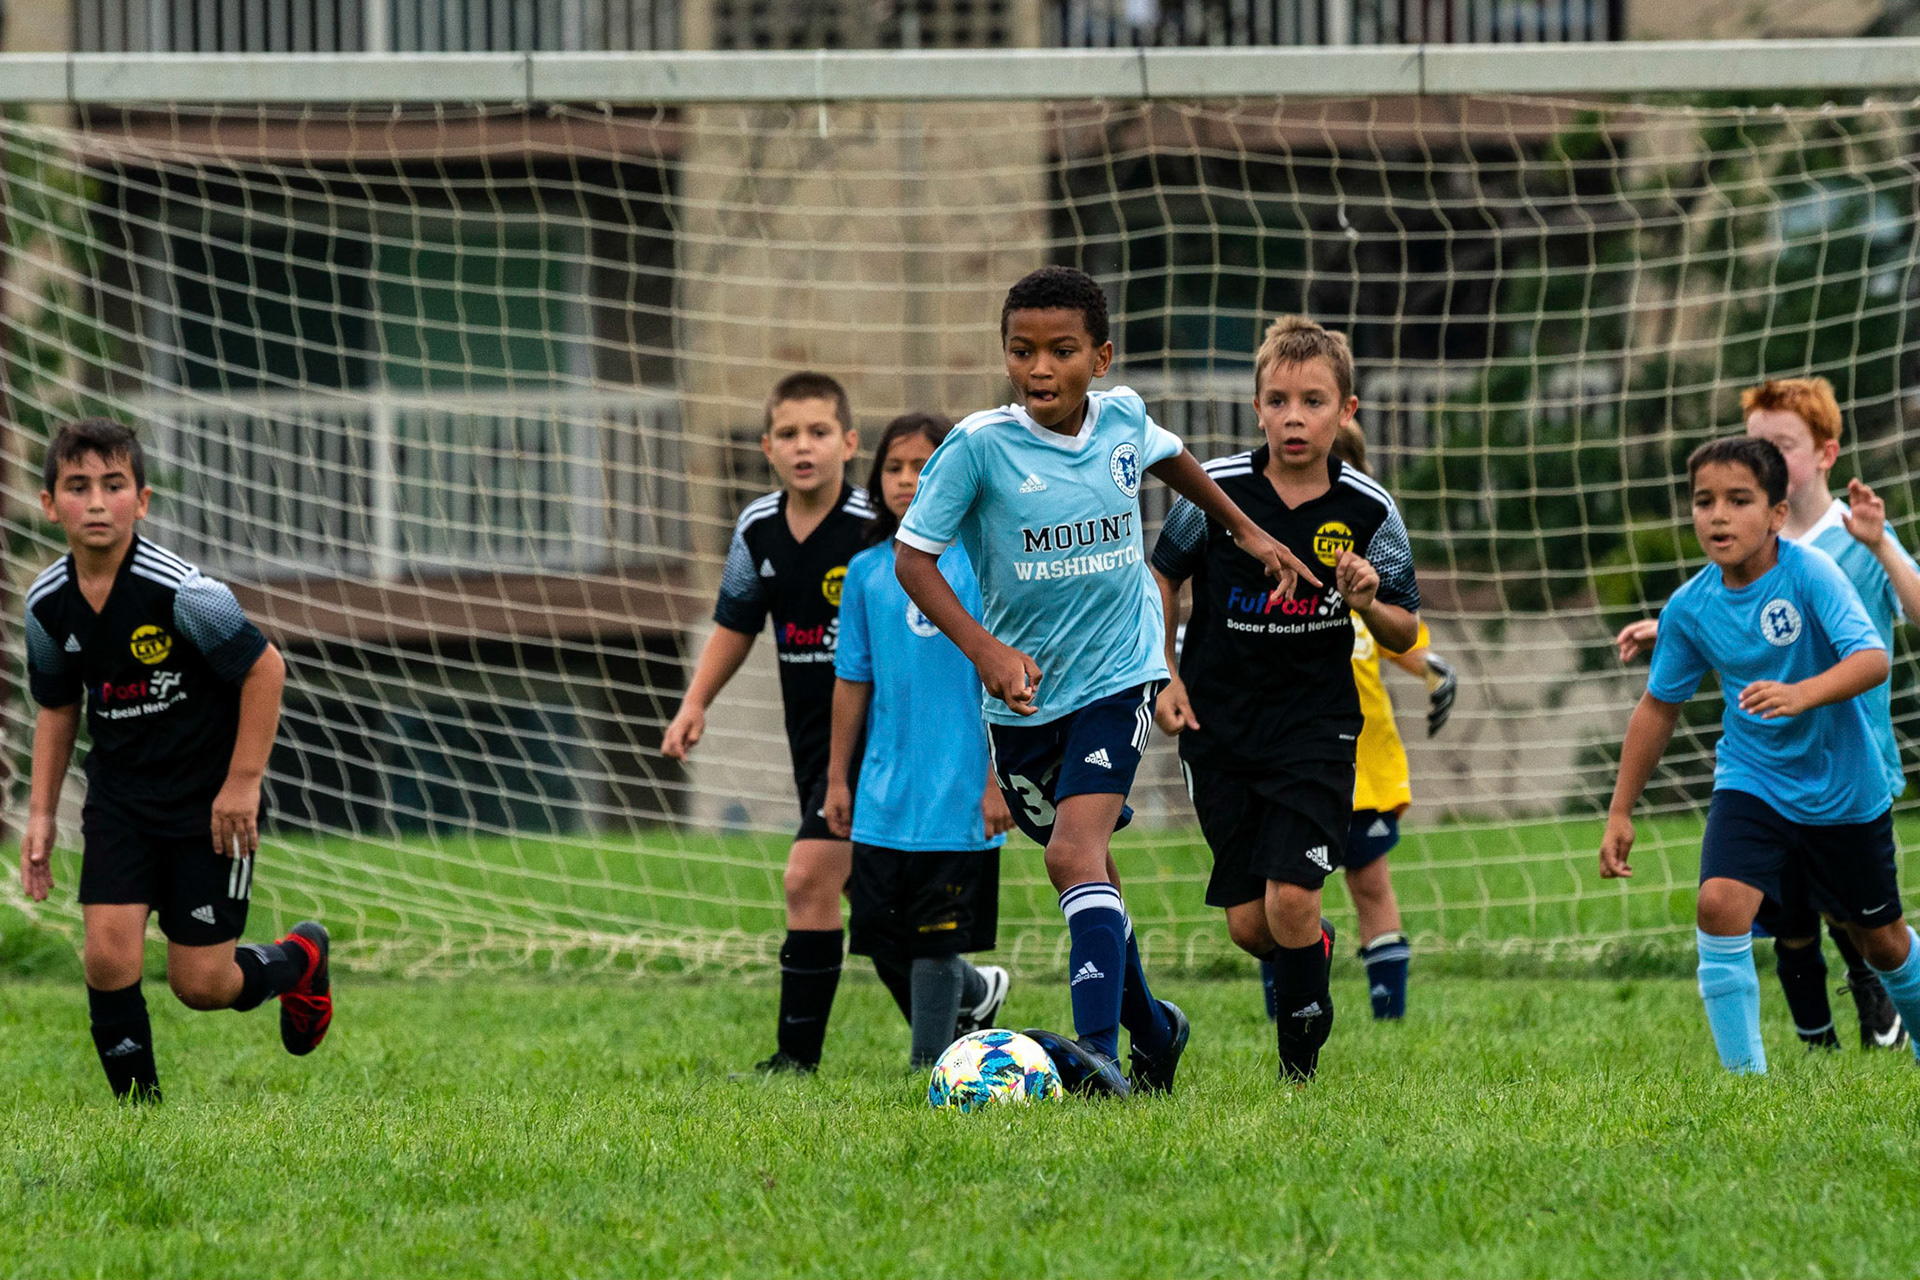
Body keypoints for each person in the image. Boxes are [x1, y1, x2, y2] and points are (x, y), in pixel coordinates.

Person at [894, 265, 1319, 1097]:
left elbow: (1175, 460)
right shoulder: (979, 447)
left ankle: (1095, 1054)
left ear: (1101, 356)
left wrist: (1249, 532)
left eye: (1061, 351)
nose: (1039, 369)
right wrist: (985, 650)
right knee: (1091, 878)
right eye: (1022, 351)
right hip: (1021, 699)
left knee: (1071, 852)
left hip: (1119, 676)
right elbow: (914, 559)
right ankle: (1156, 1031)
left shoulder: (1122, 419)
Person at [18, 417, 331, 1103]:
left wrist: (242, 785)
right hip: (121, 801)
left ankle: (301, 961)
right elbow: (57, 705)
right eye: (77, 487)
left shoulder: (185, 594)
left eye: (114, 485)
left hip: (210, 805)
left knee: (202, 985)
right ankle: (141, 1117)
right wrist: (40, 814)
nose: (97, 502)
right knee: (106, 954)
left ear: (143, 499)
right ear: (49, 504)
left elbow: (265, 670)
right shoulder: (46, 605)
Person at [1151, 317, 1421, 1081]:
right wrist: (1164, 671)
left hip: (1318, 727)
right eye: (1278, 400)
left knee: (1292, 900)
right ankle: (1313, 948)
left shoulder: (1370, 509)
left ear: (1347, 411)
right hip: (1219, 723)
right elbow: (1161, 574)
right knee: (1250, 925)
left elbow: (1404, 630)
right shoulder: (1214, 492)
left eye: (1313, 401)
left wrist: (1368, 598)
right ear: (1258, 406)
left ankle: (1298, 1076)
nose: (1294, 416)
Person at [1600, 435, 1920, 1073]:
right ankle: (1745, 1084)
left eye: (1739, 500)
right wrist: (1620, 810)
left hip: (1844, 789)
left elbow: (1873, 658)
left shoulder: (1811, 573)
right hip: (1753, 780)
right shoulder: (1692, 606)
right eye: (1704, 501)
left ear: (1777, 513)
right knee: (1719, 904)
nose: (1718, 516)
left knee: (1883, 944)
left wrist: (1803, 694)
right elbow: (1659, 706)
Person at [662, 372, 873, 1075]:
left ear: (849, 441)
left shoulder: (877, 528)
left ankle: (795, 1059)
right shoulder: (758, 527)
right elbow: (735, 621)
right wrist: (695, 704)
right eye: (788, 434)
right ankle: (966, 996)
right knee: (869, 901)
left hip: (884, 740)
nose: (803, 445)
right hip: (815, 743)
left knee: (808, 879)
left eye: (818, 432)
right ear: (767, 447)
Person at [823, 412, 1015, 1069]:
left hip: (961, 791)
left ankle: (928, 1063)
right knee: (880, 938)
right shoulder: (868, 571)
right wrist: (837, 777)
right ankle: (976, 992)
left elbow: (1010, 676)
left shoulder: (984, 563)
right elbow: (853, 681)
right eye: (895, 468)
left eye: (923, 466)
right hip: (884, 792)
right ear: (877, 479)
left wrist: (997, 777)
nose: (908, 480)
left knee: (937, 940)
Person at [1250, 421, 1455, 1025]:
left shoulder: (1368, 578)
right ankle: (1290, 1005)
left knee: (1370, 884)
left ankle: (1388, 1016)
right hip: (1286, 755)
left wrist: (1435, 671)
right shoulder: (1280, 570)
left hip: (1363, 767)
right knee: (1281, 893)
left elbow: (1402, 638)